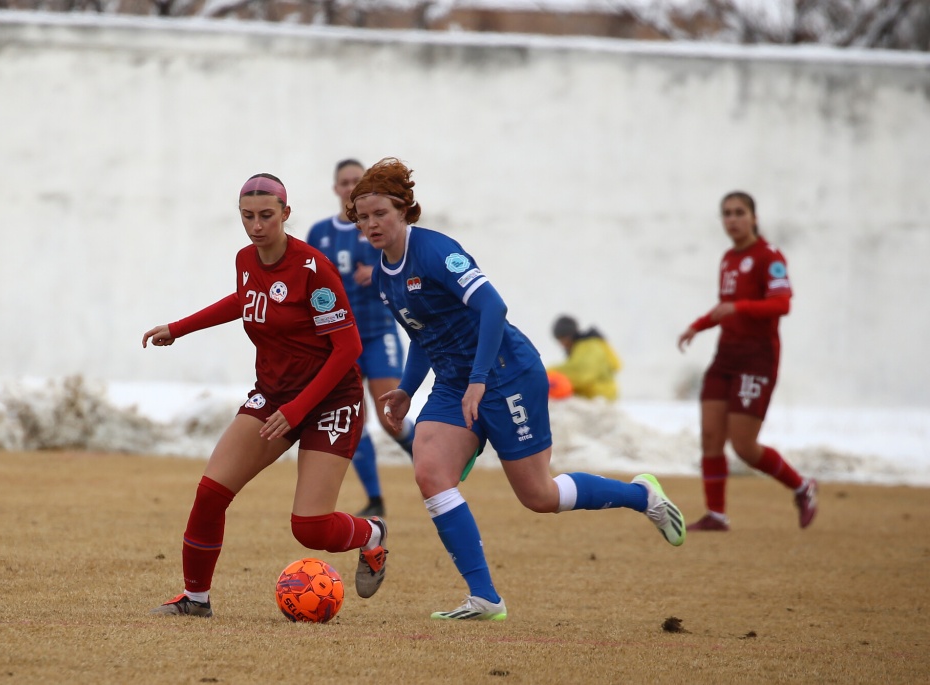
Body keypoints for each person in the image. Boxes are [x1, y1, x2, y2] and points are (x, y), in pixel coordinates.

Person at [346, 158, 686, 621]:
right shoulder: (385, 276)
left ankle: (641, 496)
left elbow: (493, 307)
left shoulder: (437, 252)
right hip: (453, 382)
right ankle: (485, 597)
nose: (371, 224)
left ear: (404, 210)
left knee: (539, 497)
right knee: (429, 471)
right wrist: (407, 389)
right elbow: (423, 336)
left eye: (380, 213)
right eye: (363, 217)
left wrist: (481, 381)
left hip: (506, 374)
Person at [141, 173, 389, 618]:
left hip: (330, 398)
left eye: (267, 217)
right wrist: (178, 328)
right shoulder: (246, 259)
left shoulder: (314, 270)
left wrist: (297, 411)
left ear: (286, 215)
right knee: (211, 492)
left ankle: (371, 535)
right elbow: (244, 299)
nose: (257, 226)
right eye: (248, 217)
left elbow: (348, 348)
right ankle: (196, 600)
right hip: (275, 396)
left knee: (309, 527)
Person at [677, 191, 817, 532]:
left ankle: (802, 487)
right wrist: (698, 325)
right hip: (726, 356)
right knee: (710, 437)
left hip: (757, 359)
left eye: (739, 212)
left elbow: (782, 304)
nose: (732, 219)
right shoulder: (727, 258)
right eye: (726, 214)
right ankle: (716, 516)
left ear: (754, 217)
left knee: (743, 446)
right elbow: (725, 306)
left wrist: (740, 307)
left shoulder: (770, 257)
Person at [307, 159, 416, 518]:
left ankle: (434, 463)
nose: (349, 187)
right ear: (336, 189)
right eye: (344, 182)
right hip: (340, 340)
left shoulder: (378, 225)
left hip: (377, 331)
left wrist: (378, 271)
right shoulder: (320, 233)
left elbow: (404, 262)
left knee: (390, 416)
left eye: (356, 180)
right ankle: (375, 498)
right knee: (353, 418)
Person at [547, 315, 622, 401]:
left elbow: (581, 372)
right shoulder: (581, 348)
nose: (562, 344)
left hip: (599, 398)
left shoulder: (590, 346)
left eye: (563, 339)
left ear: (571, 335)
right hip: (593, 397)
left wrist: (547, 372)